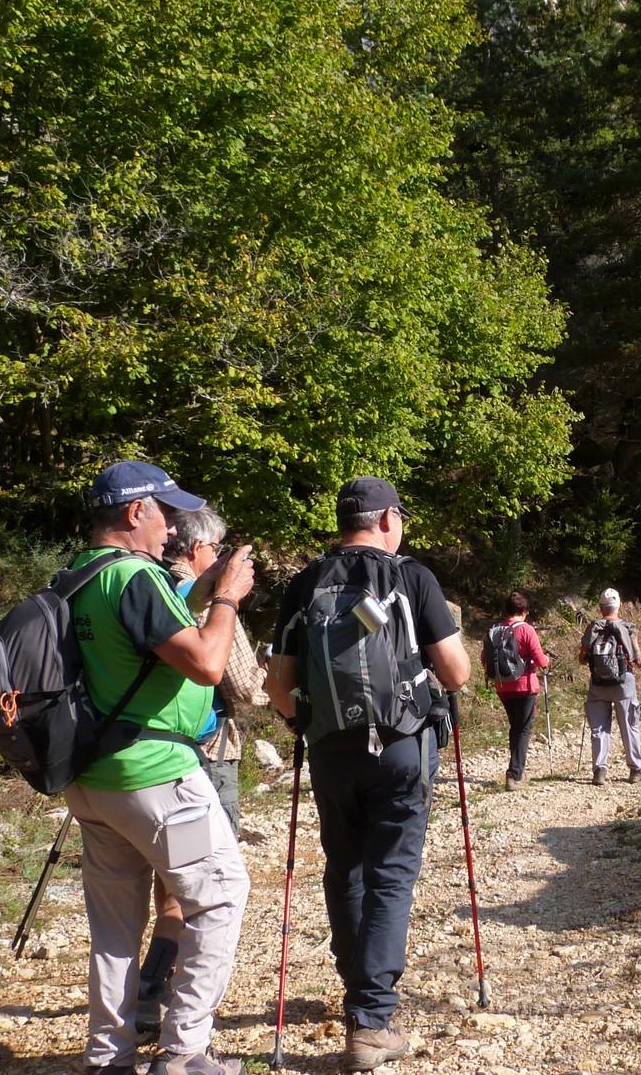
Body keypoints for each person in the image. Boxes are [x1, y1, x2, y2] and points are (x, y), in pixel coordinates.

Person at [266, 476, 471, 1073]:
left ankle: (356, 983)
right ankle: (372, 1019)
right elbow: (456, 672)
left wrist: (305, 721)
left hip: (331, 749)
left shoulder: (306, 582)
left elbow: (277, 685)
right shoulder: (413, 578)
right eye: (400, 515)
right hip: (403, 747)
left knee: (345, 866)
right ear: (386, 520)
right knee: (391, 875)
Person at [64, 461, 257, 1075]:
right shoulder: (134, 575)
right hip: (157, 777)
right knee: (220, 896)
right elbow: (206, 663)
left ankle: (108, 1055)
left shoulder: (80, 574)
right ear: (134, 511)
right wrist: (227, 597)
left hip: (93, 777)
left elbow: (146, 638)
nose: (173, 527)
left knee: (115, 927)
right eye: (165, 513)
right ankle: (184, 1050)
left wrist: (205, 589)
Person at [135, 505, 270, 1033]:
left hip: (136, 757)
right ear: (198, 549)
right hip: (201, 758)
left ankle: (143, 991)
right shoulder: (205, 598)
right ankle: (160, 996)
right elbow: (242, 684)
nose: (219, 556)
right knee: (201, 886)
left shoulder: (144, 585)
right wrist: (271, 675)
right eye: (216, 547)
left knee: (159, 883)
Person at [578, 588, 641, 786]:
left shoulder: (594, 628)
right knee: (629, 725)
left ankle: (599, 771)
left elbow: (582, 660)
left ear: (601, 608)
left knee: (599, 728)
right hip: (623, 684)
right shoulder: (627, 628)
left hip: (598, 684)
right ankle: (636, 768)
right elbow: (638, 660)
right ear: (619, 605)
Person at [480, 591, 549, 791]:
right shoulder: (526, 630)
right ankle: (515, 775)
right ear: (524, 610)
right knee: (523, 729)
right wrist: (547, 660)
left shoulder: (495, 629)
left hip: (502, 686)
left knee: (516, 727)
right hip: (525, 687)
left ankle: (516, 770)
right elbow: (540, 660)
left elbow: (483, 658)